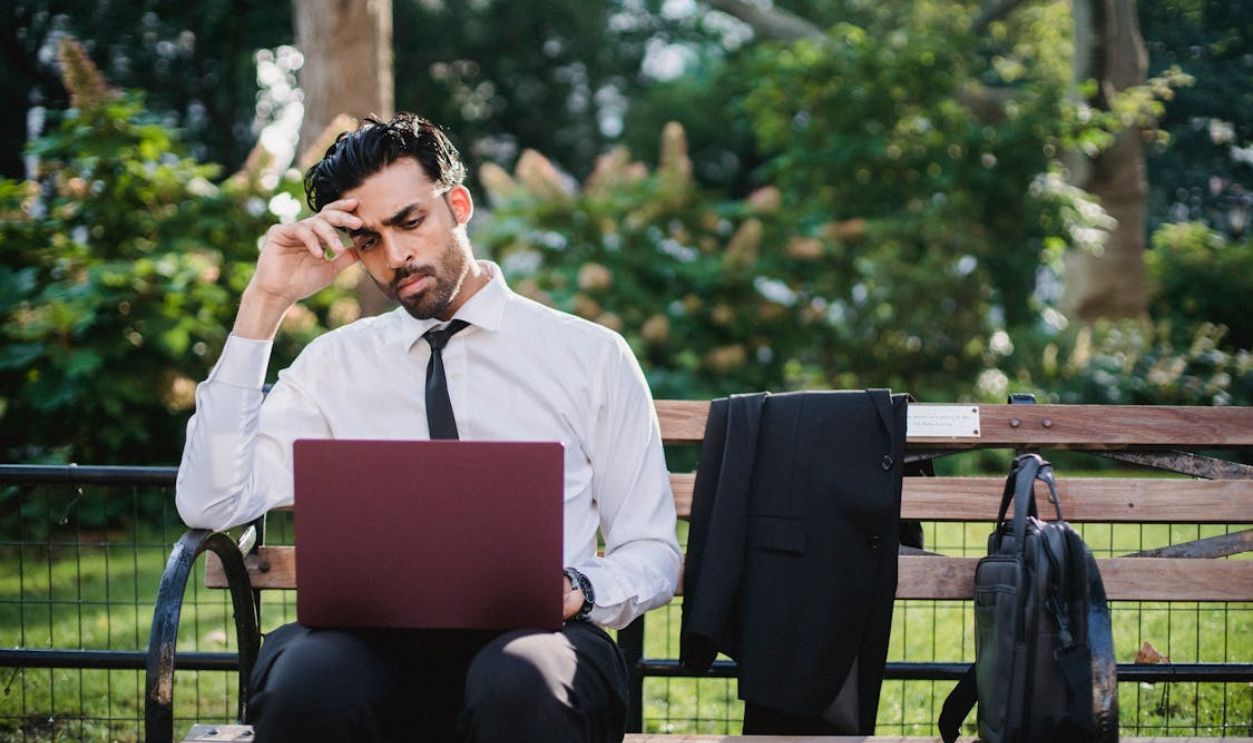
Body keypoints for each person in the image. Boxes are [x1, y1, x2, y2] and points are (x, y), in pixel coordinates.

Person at [175, 112, 681, 743]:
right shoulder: (333, 366)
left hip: (536, 641)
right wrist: (264, 303)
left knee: (521, 685)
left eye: (410, 221)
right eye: (368, 240)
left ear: (458, 205)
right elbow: (210, 502)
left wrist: (581, 587)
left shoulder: (590, 357)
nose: (396, 257)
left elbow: (653, 550)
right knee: (304, 683)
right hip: (365, 645)